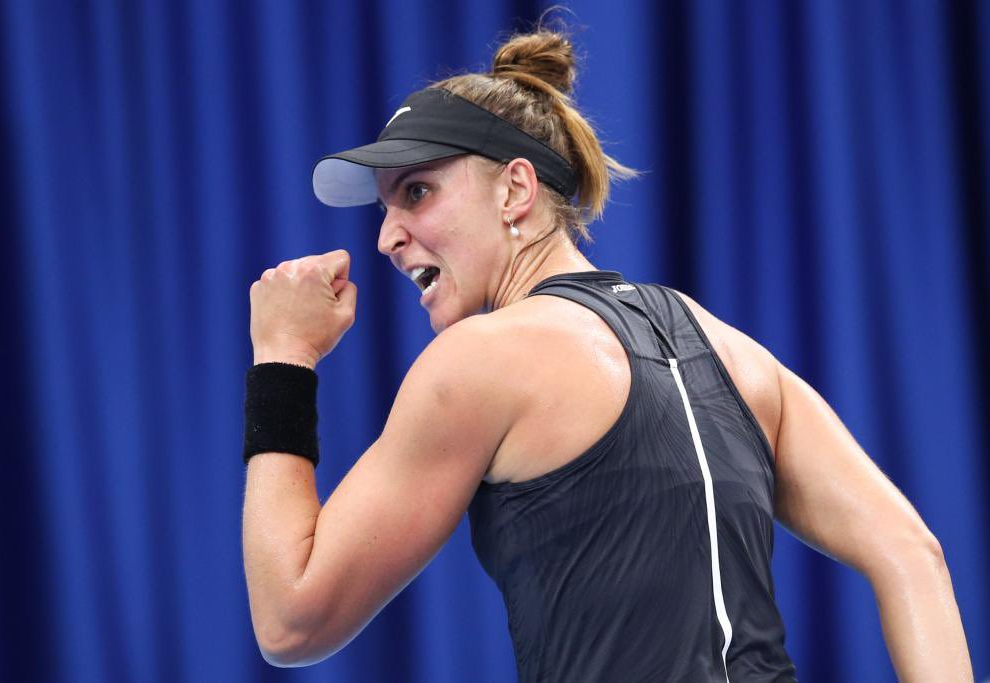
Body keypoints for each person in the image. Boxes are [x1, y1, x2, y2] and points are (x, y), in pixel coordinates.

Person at [240, 27, 973, 682]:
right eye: (385, 207)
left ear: (515, 190)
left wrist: (283, 356)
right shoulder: (735, 351)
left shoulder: (480, 362)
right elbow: (913, 552)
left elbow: (292, 620)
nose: (387, 235)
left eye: (418, 191)